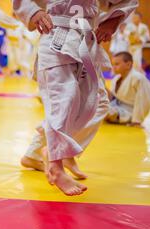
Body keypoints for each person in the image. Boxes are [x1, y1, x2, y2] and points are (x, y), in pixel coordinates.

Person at [13, 0, 138, 196]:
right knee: (65, 98)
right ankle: (55, 165)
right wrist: (32, 11)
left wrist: (112, 21)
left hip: (85, 39)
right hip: (56, 33)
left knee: (95, 103)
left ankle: (60, 150)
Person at [106, 51, 150, 126]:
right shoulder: (116, 78)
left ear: (128, 65)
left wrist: (137, 120)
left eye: (116, 64)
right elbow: (114, 98)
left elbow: (144, 100)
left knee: (102, 110)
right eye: (113, 64)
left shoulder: (138, 78)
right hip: (116, 107)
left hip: (129, 112)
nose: (113, 67)